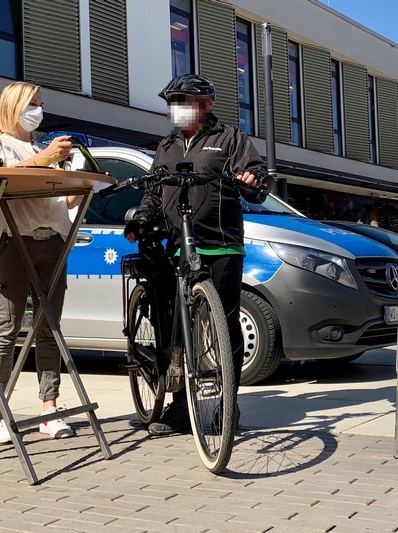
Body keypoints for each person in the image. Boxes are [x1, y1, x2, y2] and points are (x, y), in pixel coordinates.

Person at [124, 74, 274, 436]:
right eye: (172, 103)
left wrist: (252, 179)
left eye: (184, 102)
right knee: (176, 328)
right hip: (179, 245)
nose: (177, 109)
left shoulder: (230, 138)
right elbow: (156, 193)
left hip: (221, 243)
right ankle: (180, 408)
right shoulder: (167, 145)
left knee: (224, 322)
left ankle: (228, 404)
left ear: (204, 105)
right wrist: (144, 216)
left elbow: (257, 178)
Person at [0, 81, 80, 444]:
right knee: (7, 328)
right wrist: (46, 159)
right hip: (12, 240)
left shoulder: (41, 147)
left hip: (51, 241)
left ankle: (49, 409)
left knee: (49, 327)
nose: (39, 109)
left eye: (41, 103)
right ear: (14, 106)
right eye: (33, 103)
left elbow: (61, 204)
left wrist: (75, 183)